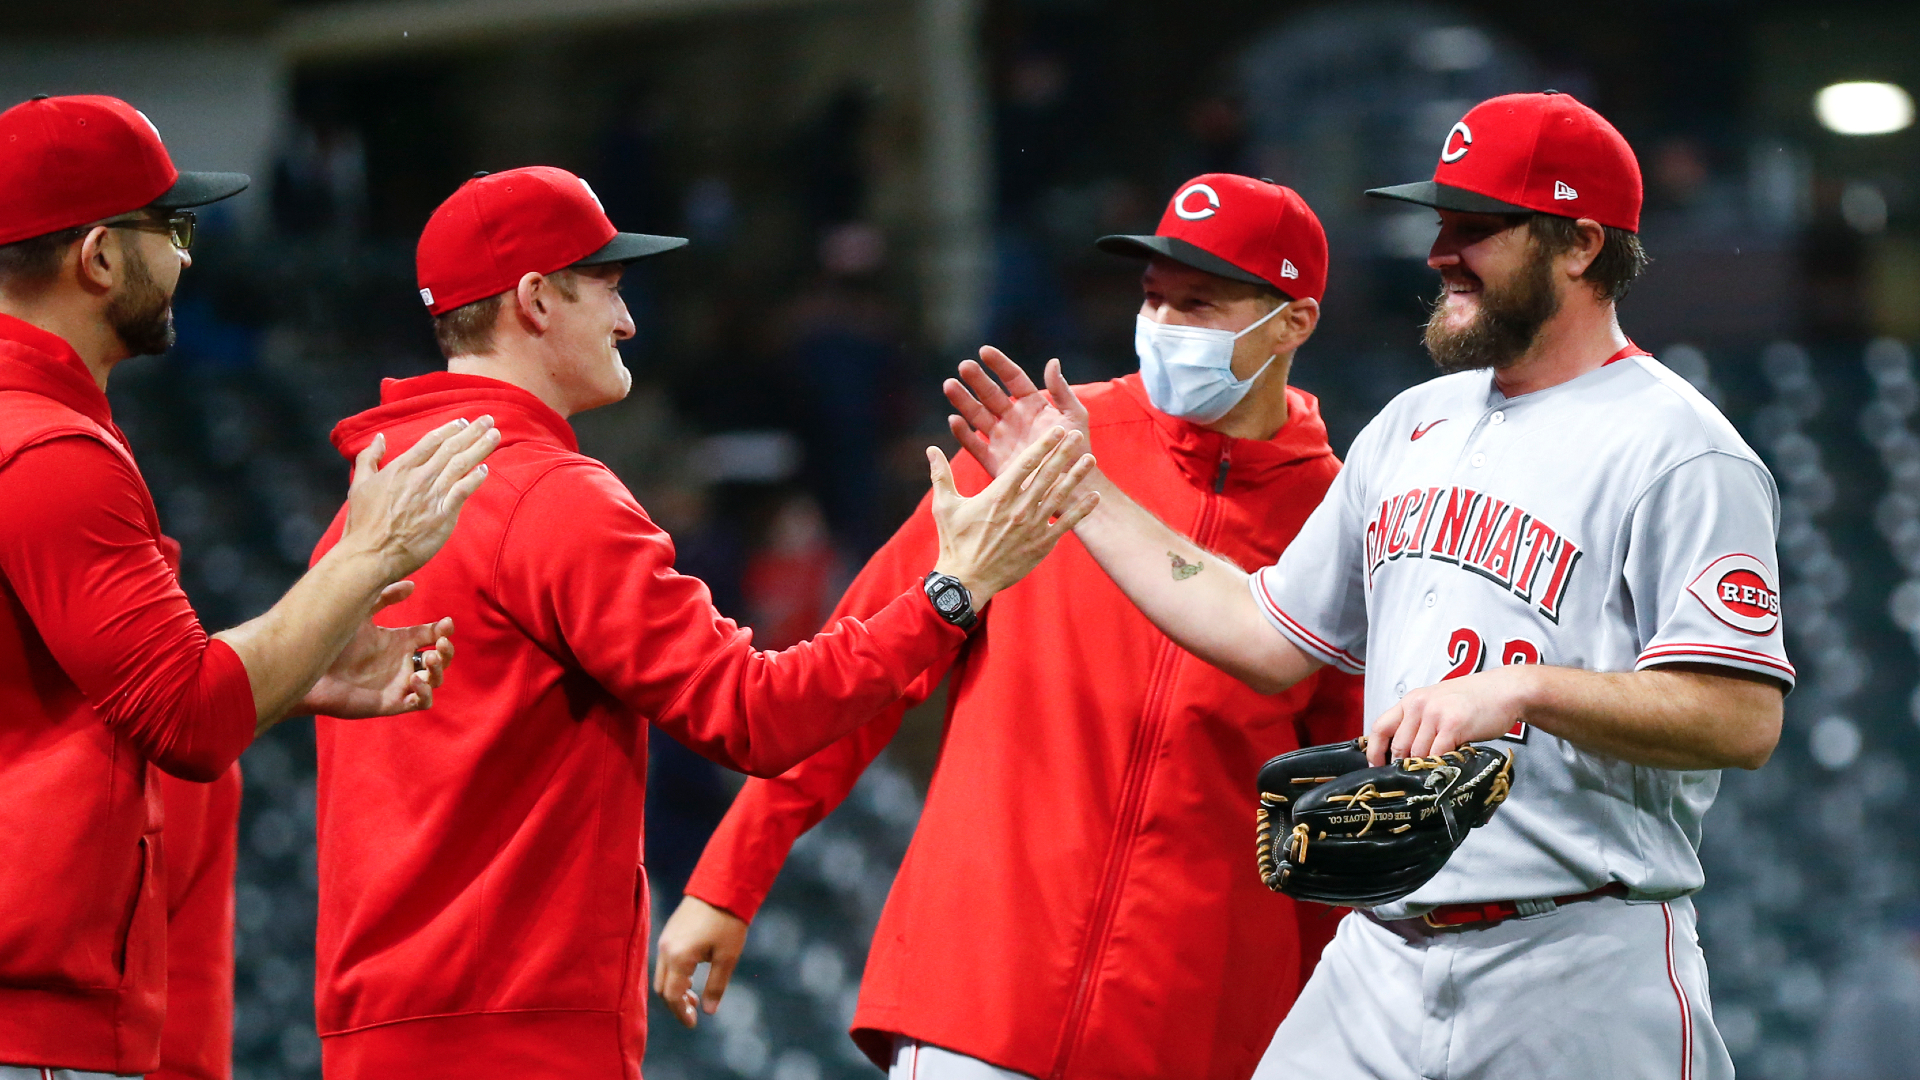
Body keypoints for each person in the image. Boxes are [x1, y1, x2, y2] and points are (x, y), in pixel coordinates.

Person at [947, 94, 1789, 1080]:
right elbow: (1264, 632)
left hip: (1578, 961)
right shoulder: (1411, 425)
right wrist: (1084, 493)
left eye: (1476, 228)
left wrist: (1528, 689)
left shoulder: (1680, 451)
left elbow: (1741, 716)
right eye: (1440, 222)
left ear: (1580, 245)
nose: (1440, 251)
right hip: (1378, 958)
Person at [305, 165, 1097, 1078]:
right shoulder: (547, 496)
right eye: (605, 284)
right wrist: (952, 593)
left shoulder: (376, 491)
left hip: (381, 1028)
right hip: (515, 1032)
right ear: (532, 299)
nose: (629, 319)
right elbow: (754, 716)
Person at [656, 174, 1363, 1080]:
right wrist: (731, 876)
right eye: (1154, 298)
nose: (1166, 325)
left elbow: (1335, 807)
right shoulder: (1040, 443)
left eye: (1200, 304)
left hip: (1193, 1027)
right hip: (980, 997)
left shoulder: (1339, 515)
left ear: (1294, 322)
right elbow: (863, 664)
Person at [0, 94, 491, 1078]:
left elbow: (92, 695)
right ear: (98, 257)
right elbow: (186, 716)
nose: (188, 256)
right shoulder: (49, 449)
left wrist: (295, 663)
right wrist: (369, 558)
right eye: (171, 228)